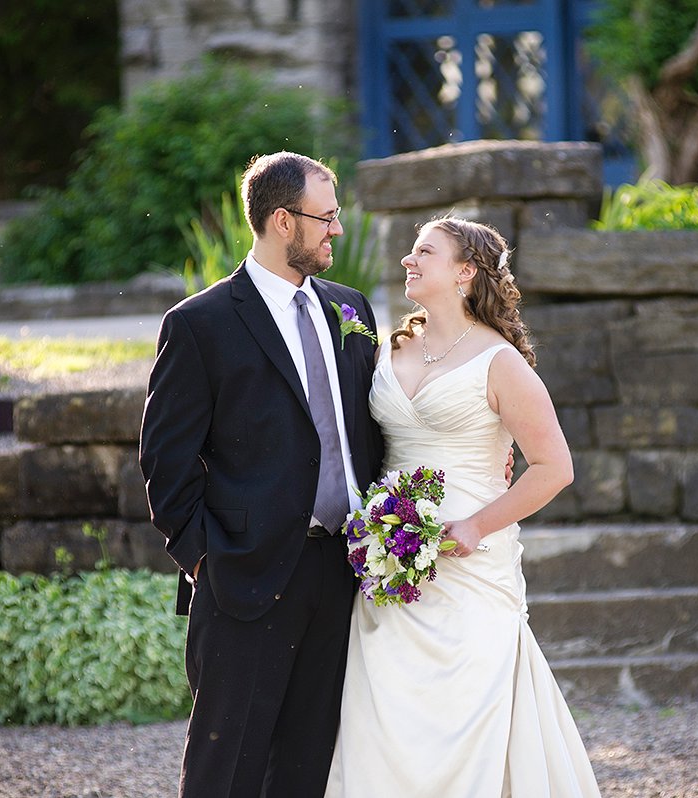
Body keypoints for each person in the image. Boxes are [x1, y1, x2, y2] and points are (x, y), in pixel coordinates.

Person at [325, 217, 601, 796]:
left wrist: (477, 523)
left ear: (465, 272)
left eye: (425, 251)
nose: (408, 259)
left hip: (469, 565)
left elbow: (555, 468)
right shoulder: (390, 347)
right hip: (389, 562)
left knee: (467, 710)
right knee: (385, 715)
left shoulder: (501, 363)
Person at [139, 151, 383, 798]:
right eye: (325, 218)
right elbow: (165, 463)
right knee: (227, 775)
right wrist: (207, 562)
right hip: (244, 582)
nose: (336, 230)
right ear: (282, 220)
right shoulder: (200, 325)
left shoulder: (351, 309)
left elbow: (372, 429)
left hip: (340, 576)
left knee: (306, 770)